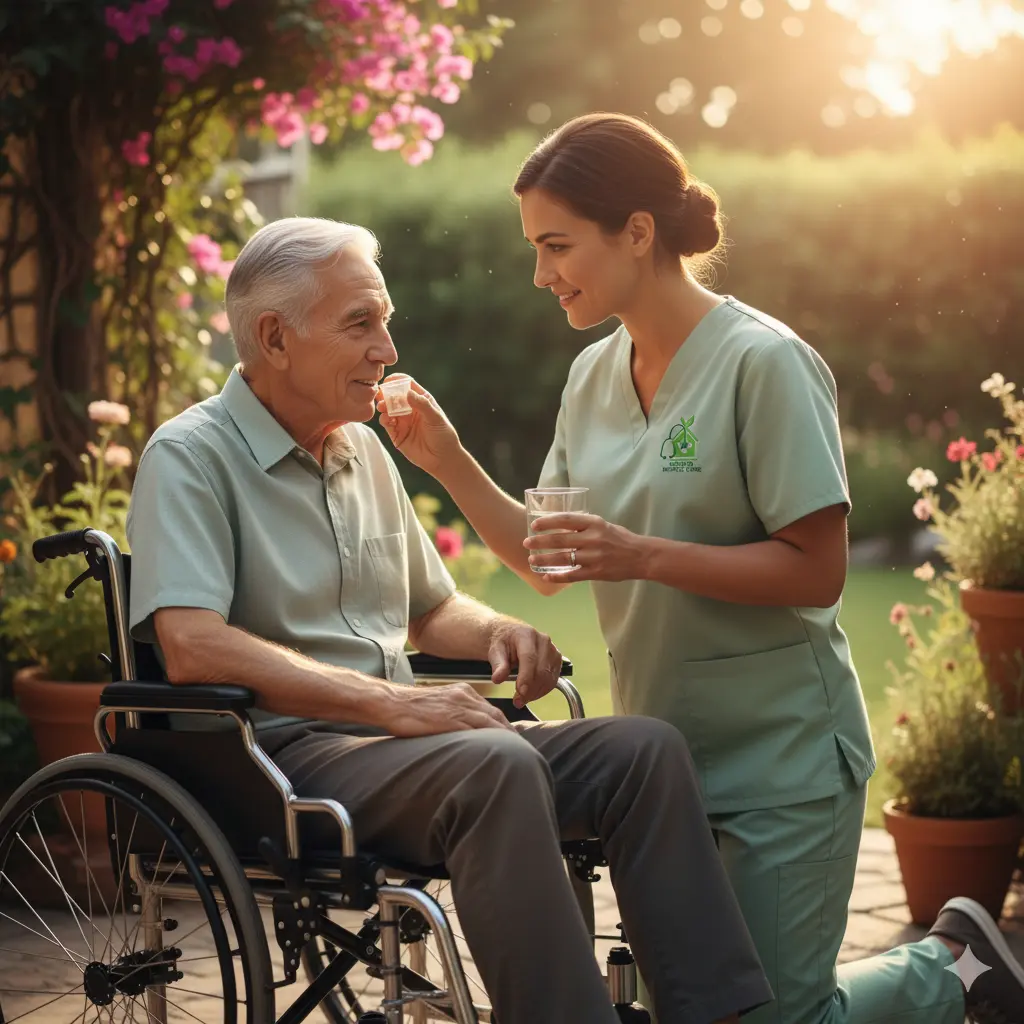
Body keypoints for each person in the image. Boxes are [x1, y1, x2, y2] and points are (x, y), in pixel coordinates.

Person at [375, 113, 1024, 1024]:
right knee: (703, 1011)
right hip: (657, 773)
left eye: (557, 245)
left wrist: (643, 555)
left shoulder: (766, 364)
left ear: (637, 232)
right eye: (534, 247)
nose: (540, 273)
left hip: (782, 758)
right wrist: (443, 458)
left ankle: (949, 968)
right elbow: (548, 560)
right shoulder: (591, 376)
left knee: (779, 1018)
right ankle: (951, 961)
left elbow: (817, 571)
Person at [125, 215, 773, 1024]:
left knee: (642, 751)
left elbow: (429, 610)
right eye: (361, 324)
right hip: (281, 762)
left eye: (386, 322)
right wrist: (395, 705)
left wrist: (496, 631)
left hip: (405, 746)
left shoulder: (360, 452)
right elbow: (189, 645)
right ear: (273, 337)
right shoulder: (189, 457)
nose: (388, 350)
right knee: (492, 765)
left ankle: (718, 1017)